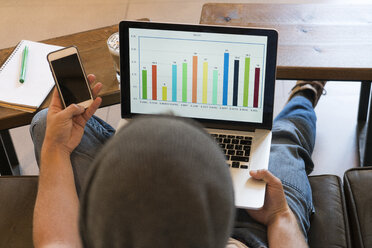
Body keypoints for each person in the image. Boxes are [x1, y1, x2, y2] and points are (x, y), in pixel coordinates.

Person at [30, 74, 326, 248]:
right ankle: (304, 95)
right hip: (256, 233)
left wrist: (56, 147)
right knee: (286, 137)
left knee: (47, 125)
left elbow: (54, 242)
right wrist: (279, 215)